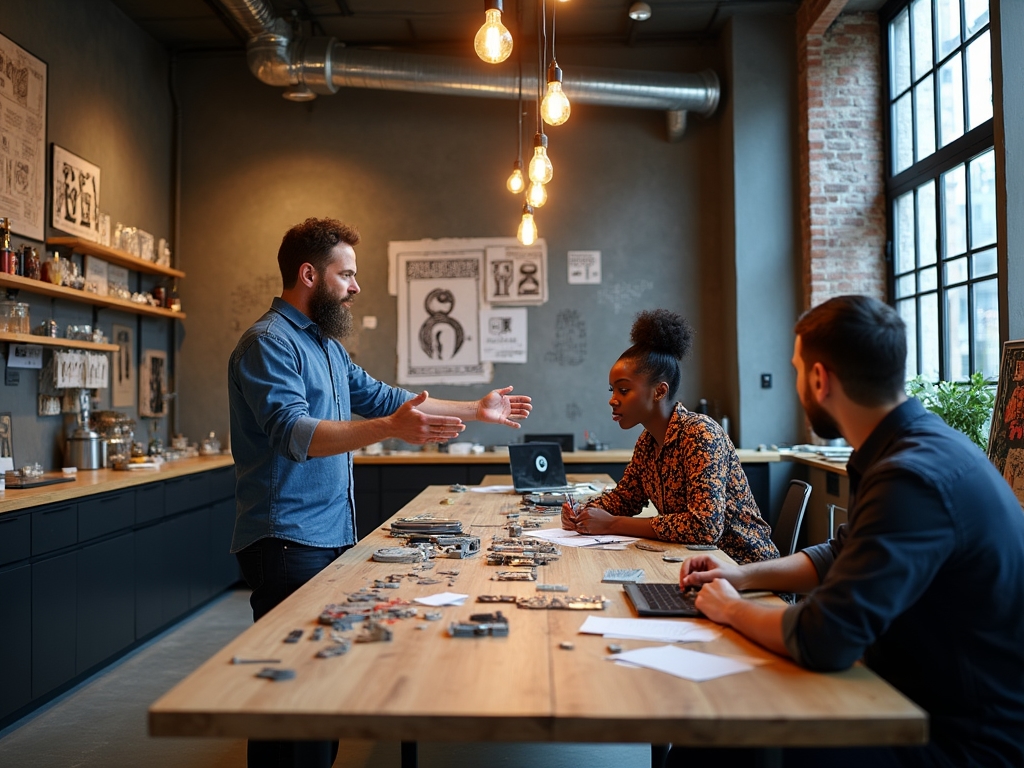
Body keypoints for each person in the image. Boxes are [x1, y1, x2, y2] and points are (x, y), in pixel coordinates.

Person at [228, 217, 532, 768]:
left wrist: (475, 410)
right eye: (346, 274)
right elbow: (294, 434)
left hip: (326, 537)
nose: (355, 286)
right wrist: (390, 427)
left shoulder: (325, 347)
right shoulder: (268, 344)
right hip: (285, 541)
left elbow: (390, 398)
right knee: (292, 695)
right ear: (308, 274)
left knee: (320, 685)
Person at [679, 295, 1024, 767]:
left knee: (727, 735)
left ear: (820, 380)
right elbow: (837, 554)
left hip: (959, 739)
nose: (797, 381)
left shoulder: (912, 477)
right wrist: (742, 577)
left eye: (797, 369)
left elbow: (824, 637)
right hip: (911, 697)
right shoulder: (913, 446)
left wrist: (731, 610)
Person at [563, 309, 778, 565]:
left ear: (659, 391)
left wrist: (613, 524)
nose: (612, 399)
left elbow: (704, 528)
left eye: (623, 389)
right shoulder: (647, 441)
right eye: (612, 390)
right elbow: (626, 497)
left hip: (746, 571)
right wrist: (584, 512)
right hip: (697, 566)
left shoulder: (700, 434)